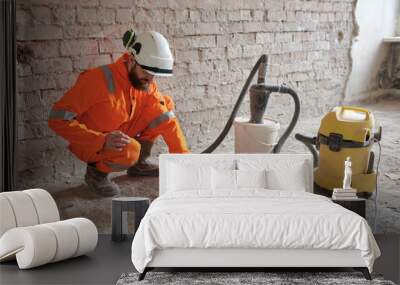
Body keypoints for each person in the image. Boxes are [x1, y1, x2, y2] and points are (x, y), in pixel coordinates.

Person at [48, 29, 189, 197]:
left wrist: (185, 163)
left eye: (154, 76)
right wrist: (101, 140)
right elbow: (56, 119)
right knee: (130, 149)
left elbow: (166, 121)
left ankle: (139, 163)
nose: (150, 80)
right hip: (92, 142)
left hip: (120, 132)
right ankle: (96, 175)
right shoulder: (97, 80)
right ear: (131, 60)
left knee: (164, 105)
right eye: (146, 73)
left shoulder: (145, 84)